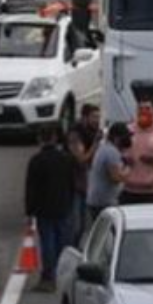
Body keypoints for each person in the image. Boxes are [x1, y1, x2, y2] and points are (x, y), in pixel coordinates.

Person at [25, 126, 75, 292]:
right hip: (63, 206)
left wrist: (30, 211)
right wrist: (70, 201)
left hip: (44, 208)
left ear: (40, 139)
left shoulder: (36, 160)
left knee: (48, 243)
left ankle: (48, 277)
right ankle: (63, 275)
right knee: (63, 242)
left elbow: (31, 188)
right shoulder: (66, 158)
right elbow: (72, 183)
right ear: (55, 138)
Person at [87, 122, 131, 233]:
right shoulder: (111, 152)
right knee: (107, 234)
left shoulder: (105, 148)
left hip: (99, 200)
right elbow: (115, 178)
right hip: (103, 203)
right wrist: (128, 170)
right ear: (117, 138)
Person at [67, 105, 102, 245]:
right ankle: (70, 249)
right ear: (84, 117)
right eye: (94, 117)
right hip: (75, 184)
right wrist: (96, 144)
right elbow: (81, 159)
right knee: (77, 226)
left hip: (88, 184)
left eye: (98, 117)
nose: (97, 120)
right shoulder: (75, 135)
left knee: (85, 225)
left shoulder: (94, 132)